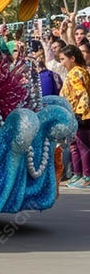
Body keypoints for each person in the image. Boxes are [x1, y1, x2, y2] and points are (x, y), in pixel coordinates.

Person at [58, 44, 90, 188]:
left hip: (81, 115)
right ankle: (78, 174)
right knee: (74, 146)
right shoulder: (75, 72)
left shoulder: (76, 72)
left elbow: (82, 94)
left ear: (72, 58)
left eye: (63, 59)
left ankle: (87, 176)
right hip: (73, 114)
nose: (61, 63)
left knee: (82, 146)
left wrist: (80, 114)